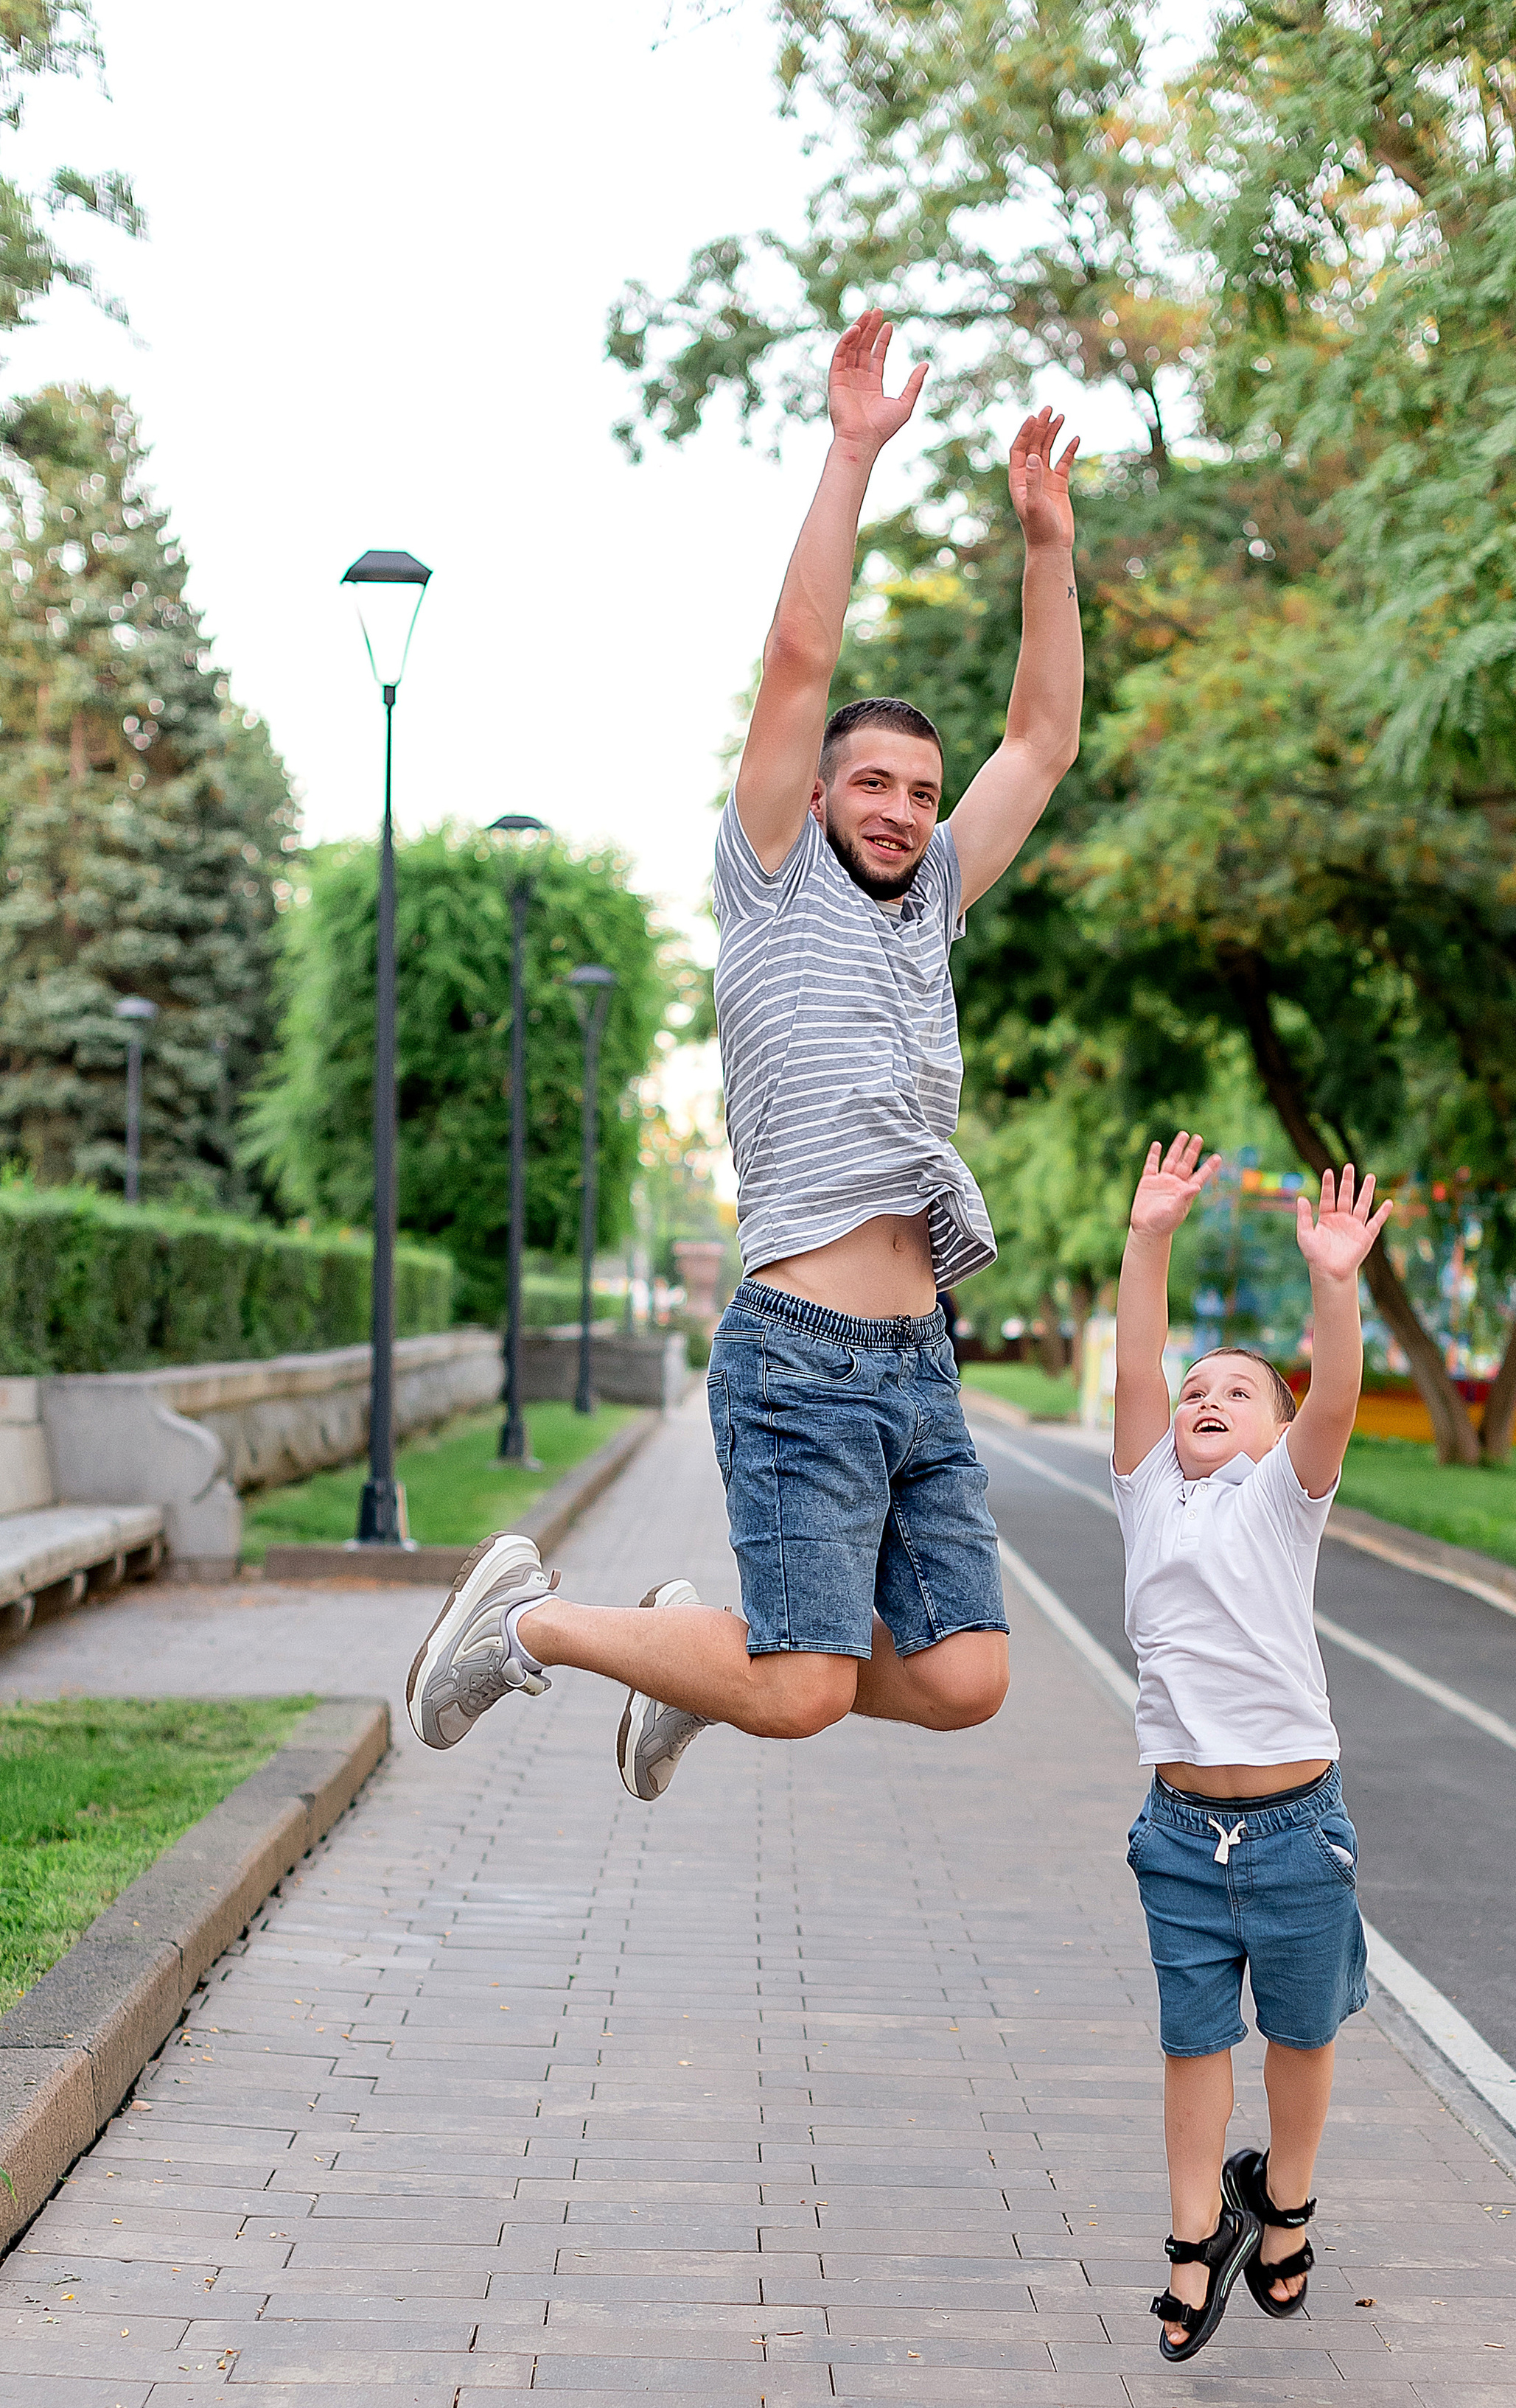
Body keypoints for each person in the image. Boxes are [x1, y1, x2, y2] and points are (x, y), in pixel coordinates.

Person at [406, 311, 1084, 1794]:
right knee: (797, 1690)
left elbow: (1037, 742)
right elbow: (797, 652)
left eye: (920, 788)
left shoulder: (932, 910)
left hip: (917, 1358)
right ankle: (535, 1623)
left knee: (967, 1678)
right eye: (875, 782)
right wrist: (852, 453)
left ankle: (691, 1652)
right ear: (819, 792)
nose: (904, 807)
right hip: (799, 1355)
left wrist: (1045, 544)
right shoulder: (774, 875)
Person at [1110, 1134, 1391, 2362]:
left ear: (1276, 1436)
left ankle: (1284, 2201)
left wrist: (1335, 1280)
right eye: (1196, 1389)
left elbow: (1333, 1394)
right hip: (1178, 1831)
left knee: (1303, 2034)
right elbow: (1135, 1359)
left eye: (1238, 1391)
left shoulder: (1283, 1495)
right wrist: (1149, 1236)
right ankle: (1189, 2237)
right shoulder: (1146, 1488)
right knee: (1191, 2041)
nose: (1208, 1397)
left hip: (1294, 1829)